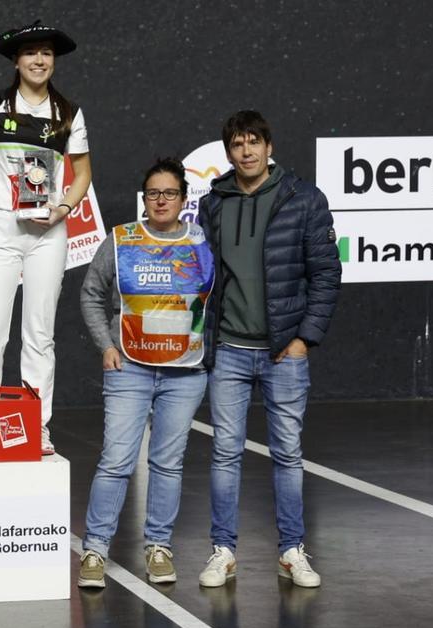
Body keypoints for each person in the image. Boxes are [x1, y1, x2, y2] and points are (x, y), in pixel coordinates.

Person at [196, 110, 341, 589]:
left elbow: (326, 274)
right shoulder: (214, 202)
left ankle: (292, 550)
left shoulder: (304, 199)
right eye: (237, 144)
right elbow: (203, 274)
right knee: (225, 455)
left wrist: (304, 338)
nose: (247, 152)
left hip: (284, 353)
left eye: (254, 142)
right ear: (229, 152)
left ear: (269, 145)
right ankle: (223, 551)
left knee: (288, 455)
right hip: (231, 352)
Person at [0, 19, 92, 455]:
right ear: (16, 60)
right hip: (0, 229)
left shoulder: (68, 113)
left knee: (39, 334)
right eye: (30, 53)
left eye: (46, 53)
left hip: (48, 233)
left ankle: (36, 424)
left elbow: (83, 173)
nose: (39, 60)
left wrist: (64, 208)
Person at [76, 159, 214, 588]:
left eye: (169, 193)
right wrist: (106, 346)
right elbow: (91, 294)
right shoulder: (121, 240)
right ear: (144, 198)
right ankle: (95, 551)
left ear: (182, 199)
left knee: (167, 465)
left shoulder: (202, 242)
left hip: (185, 372)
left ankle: (159, 547)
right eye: (153, 193)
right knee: (116, 461)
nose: (160, 200)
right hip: (129, 369)